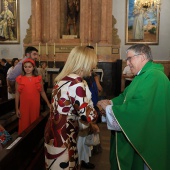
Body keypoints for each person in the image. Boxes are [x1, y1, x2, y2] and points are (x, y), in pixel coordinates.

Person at [97, 44, 170, 170]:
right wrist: (110, 103)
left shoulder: (154, 76)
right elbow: (125, 96)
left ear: (142, 57)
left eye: (130, 58)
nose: (128, 63)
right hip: (144, 134)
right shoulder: (142, 76)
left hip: (150, 138)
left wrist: (108, 109)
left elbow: (139, 109)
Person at [44, 46, 98, 170]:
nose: (93, 67)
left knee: (55, 165)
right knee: (64, 166)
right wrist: (99, 109)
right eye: (92, 63)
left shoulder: (62, 79)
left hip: (54, 131)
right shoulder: (77, 83)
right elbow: (87, 116)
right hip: (64, 134)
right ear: (84, 63)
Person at [15, 58, 50, 135]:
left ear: (33, 67)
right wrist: (17, 108)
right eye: (25, 67)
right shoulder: (19, 78)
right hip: (24, 105)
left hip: (35, 104)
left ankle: (33, 139)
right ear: (23, 68)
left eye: (29, 67)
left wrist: (48, 103)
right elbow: (17, 94)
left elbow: (42, 92)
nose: (27, 69)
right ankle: (23, 140)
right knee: (24, 122)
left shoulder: (38, 78)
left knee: (34, 122)